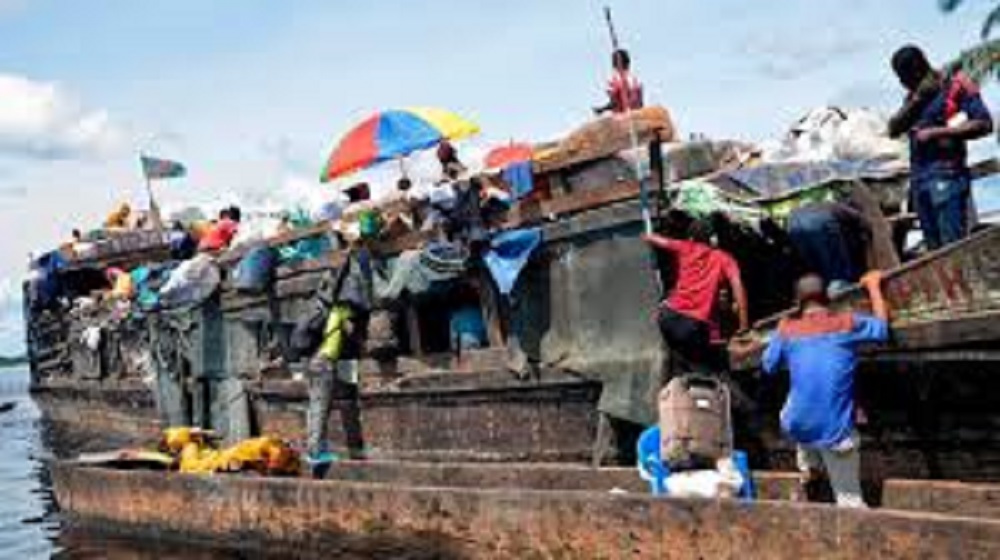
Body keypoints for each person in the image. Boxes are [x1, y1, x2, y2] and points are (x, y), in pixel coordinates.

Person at [759, 272, 889, 508]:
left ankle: (810, 467)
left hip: (797, 424)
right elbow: (881, 329)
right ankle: (819, 470)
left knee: (795, 410)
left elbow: (768, 365)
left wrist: (782, 333)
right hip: (834, 432)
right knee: (850, 502)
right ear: (828, 299)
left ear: (797, 302)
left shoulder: (786, 328)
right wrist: (873, 286)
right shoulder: (846, 322)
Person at [888, 45, 993, 250]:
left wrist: (938, 132)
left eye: (902, 76)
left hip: (947, 176)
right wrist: (917, 100)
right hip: (920, 181)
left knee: (953, 247)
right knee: (934, 250)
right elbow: (893, 128)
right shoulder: (913, 98)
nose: (901, 82)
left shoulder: (955, 86)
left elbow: (984, 123)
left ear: (917, 70)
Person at [642, 220, 749, 373]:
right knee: (707, 369)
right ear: (712, 238)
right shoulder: (723, 258)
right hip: (692, 323)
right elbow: (738, 287)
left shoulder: (686, 247)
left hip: (667, 317)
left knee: (683, 361)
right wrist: (743, 325)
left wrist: (648, 236)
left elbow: (662, 241)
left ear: (691, 238)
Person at [787, 201, 870, 286]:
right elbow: (860, 218)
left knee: (814, 266)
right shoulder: (840, 207)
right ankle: (842, 284)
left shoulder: (821, 205)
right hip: (820, 225)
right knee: (837, 264)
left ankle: (826, 285)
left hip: (794, 228)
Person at [594, 49, 644, 115]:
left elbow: (614, 103)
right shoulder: (636, 81)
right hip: (636, 116)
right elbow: (640, 103)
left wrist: (602, 109)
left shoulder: (614, 81)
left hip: (624, 117)